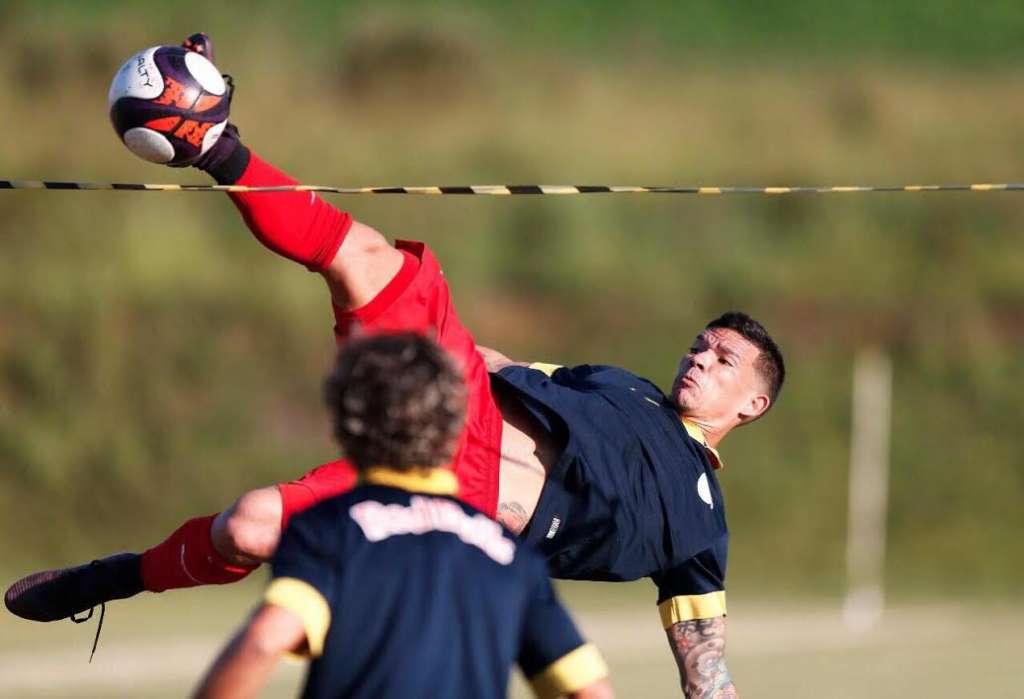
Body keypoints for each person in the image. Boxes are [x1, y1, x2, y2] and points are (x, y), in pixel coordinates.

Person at [5, 35, 784, 697]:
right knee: (374, 258)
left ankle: (115, 576)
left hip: (457, 502)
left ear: (752, 404)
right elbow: (502, 364)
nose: (699, 357)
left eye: (724, 359)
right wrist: (405, 334)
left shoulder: (705, 523)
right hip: (461, 405)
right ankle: (210, 138)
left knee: (247, 525)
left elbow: (705, 658)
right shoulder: (625, 387)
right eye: (699, 344)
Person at [193, 331, 612, 699]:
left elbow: (265, 642)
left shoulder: (330, 530)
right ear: (454, 429)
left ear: (345, 425)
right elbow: (589, 688)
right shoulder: (510, 557)